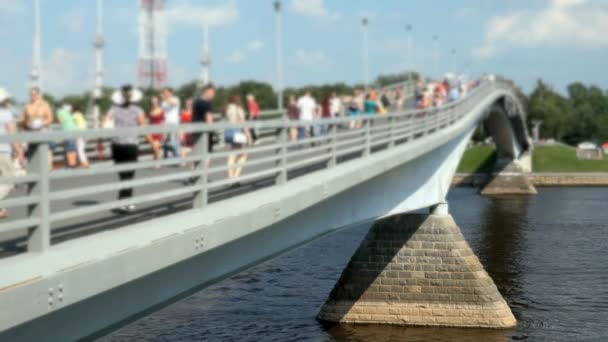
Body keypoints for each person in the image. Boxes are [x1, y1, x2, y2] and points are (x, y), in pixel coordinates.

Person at [103, 85, 146, 213]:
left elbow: (104, 123)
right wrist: (153, 143)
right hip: (131, 145)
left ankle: (124, 200)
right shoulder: (138, 110)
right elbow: (144, 127)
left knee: (123, 174)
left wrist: (100, 140)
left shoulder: (113, 109)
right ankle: (126, 201)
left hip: (117, 145)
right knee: (129, 174)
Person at [0, 88, 23, 218]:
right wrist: (19, 151)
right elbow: (12, 134)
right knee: (9, 181)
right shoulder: (6, 113)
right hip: (3, 151)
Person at [19, 87, 54, 165]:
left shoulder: (45, 105)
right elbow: (21, 120)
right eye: (31, 94)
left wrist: (41, 123)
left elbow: (50, 119)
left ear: (38, 95)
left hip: (42, 130)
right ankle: (23, 164)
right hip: (30, 131)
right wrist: (26, 123)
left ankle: (48, 167)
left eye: (34, 94)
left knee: (46, 148)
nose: (33, 96)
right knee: (23, 146)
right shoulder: (27, 106)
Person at [224, 95, 252, 179]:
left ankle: (230, 177)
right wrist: (248, 136)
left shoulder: (227, 108)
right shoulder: (238, 108)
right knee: (244, 154)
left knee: (231, 154)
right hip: (237, 133)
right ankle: (236, 177)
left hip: (227, 132)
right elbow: (243, 123)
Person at [192, 83, 216, 153]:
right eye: (213, 92)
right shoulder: (206, 103)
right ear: (207, 91)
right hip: (205, 133)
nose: (214, 95)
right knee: (207, 154)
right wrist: (212, 130)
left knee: (198, 154)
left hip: (196, 131)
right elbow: (209, 119)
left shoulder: (196, 102)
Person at [161, 88, 181, 159]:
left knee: (173, 141)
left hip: (174, 122)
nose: (165, 94)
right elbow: (163, 112)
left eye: (166, 92)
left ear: (170, 93)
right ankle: (166, 156)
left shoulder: (176, 99)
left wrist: (166, 98)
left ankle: (177, 157)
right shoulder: (163, 102)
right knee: (164, 141)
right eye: (164, 92)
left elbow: (173, 104)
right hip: (166, 123)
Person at [147, 96, 165, 161]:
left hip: (159, 129)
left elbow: (163, 121)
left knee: (155, 146)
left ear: (157, 102)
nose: (154, 102)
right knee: (154, 146)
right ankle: (156, 159)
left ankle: (158, 161)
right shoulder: (150, 110)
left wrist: (164, 131)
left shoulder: (161, 109)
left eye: (155, 101)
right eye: (152, 101)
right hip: (152, 130)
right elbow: (149, 122)